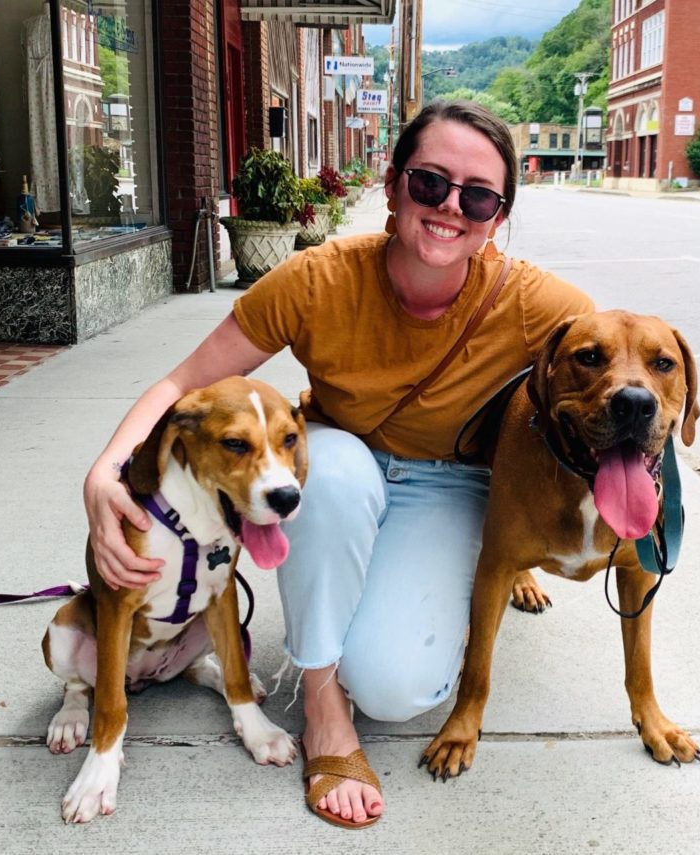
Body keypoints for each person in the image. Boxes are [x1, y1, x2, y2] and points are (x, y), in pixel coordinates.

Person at [83, 100, 594, 828]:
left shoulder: (534, 302)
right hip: (341, 461)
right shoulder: (317, 279)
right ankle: (322, 705)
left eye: (478, 195)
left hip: (446, 482)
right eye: (429, 183)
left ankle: (368, 644)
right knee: (320, 476)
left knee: (394, 688)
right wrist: (104, 470)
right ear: (391, 185)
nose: (451, 207)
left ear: (498, 215)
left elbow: (613, 377)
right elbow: (183, 383)